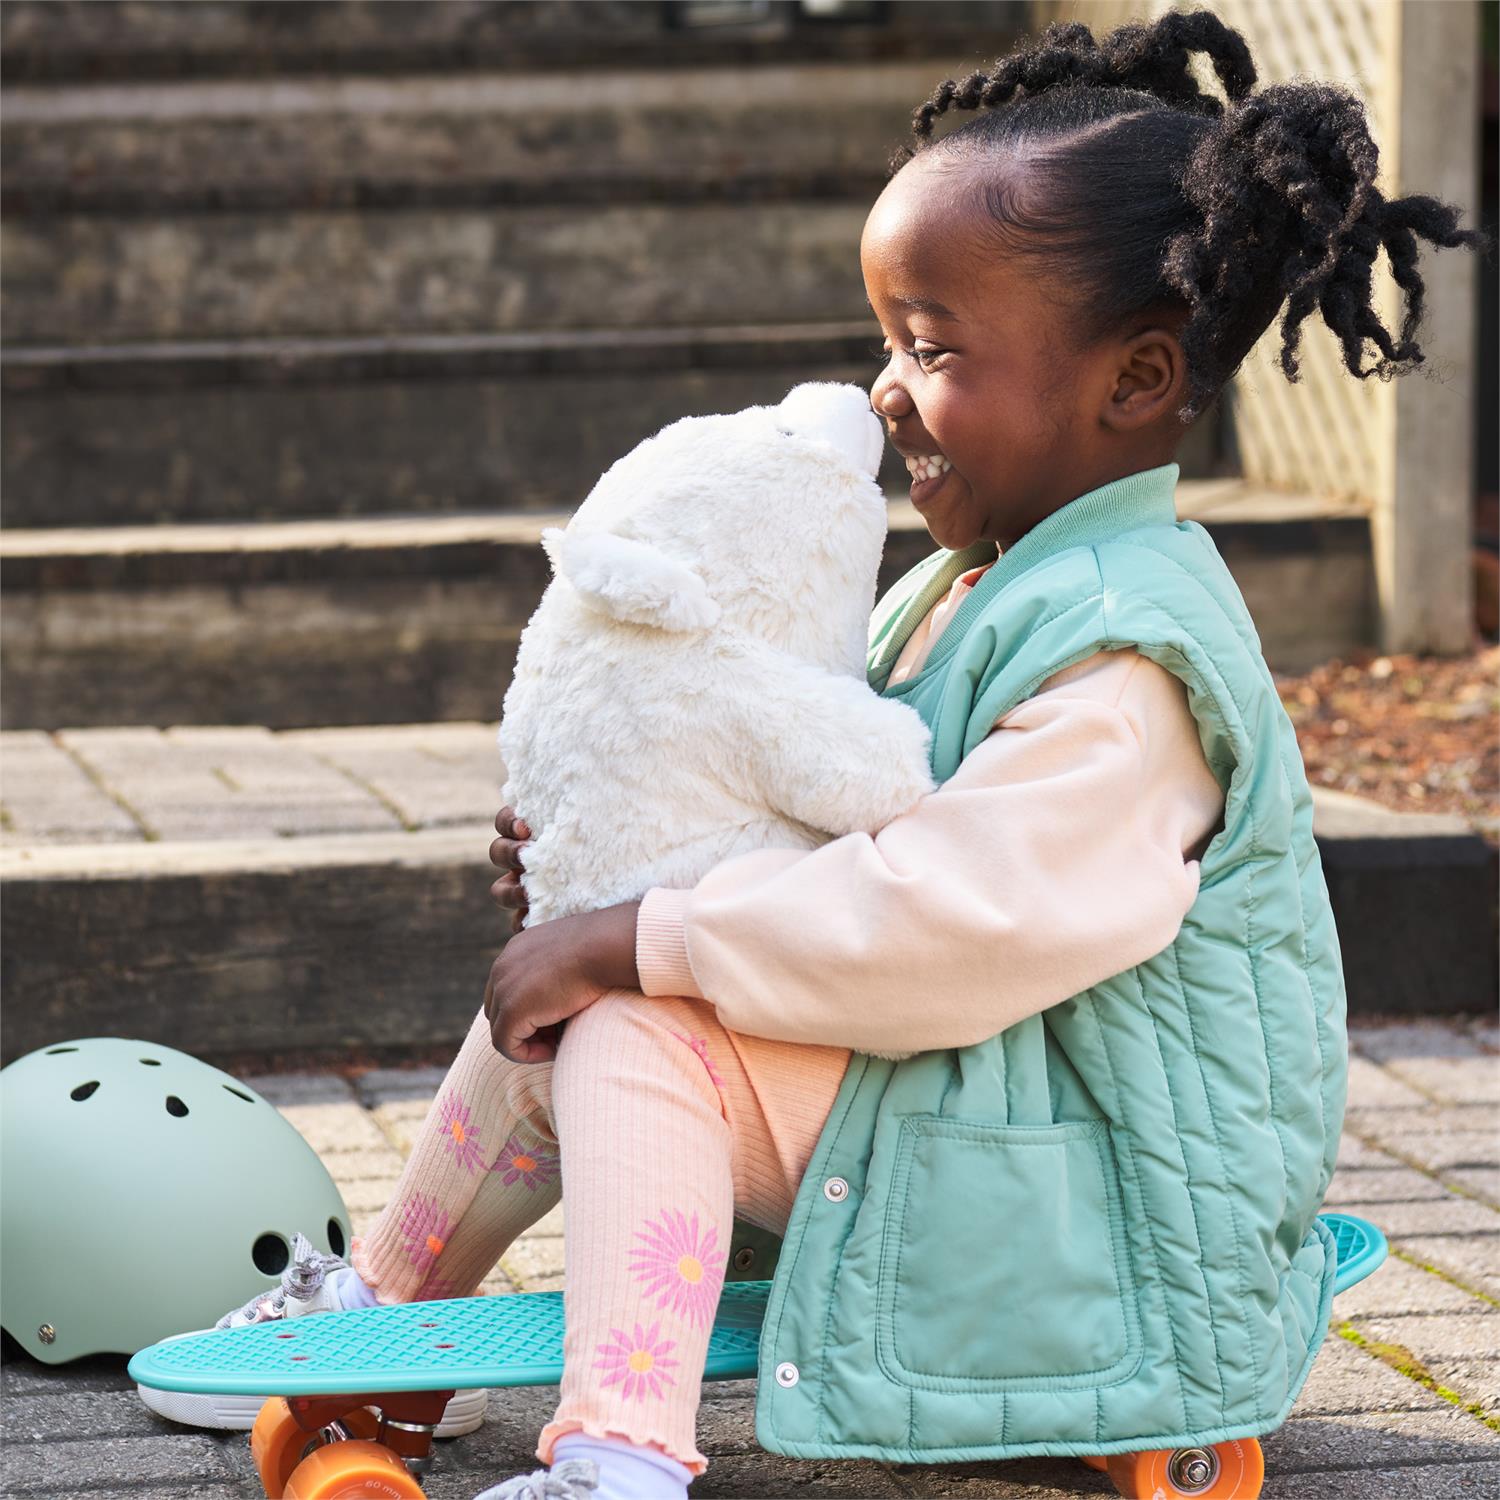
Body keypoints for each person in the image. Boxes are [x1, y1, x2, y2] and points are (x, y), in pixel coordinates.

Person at [170, 13, 1487, 1500]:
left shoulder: (1133, 657)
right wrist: (619, 864)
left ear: (1133, 381)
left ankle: (618, 1458)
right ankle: (385, 1342)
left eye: (932, 349)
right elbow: (814, 819)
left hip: (1111, 1222)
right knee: (559, 993)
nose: (884, 388)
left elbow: (947, 917)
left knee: (631, 1020)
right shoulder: (963, 587)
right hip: (996, 1120)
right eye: (885, 342)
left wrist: (648, 935)